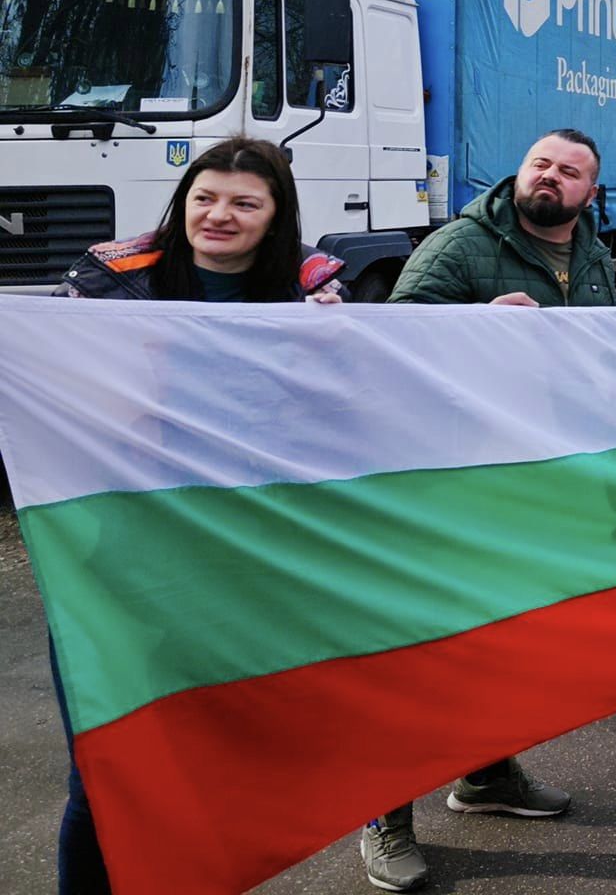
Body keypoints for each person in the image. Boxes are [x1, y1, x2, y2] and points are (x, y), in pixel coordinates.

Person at [366, 129, 616, 892]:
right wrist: (477, 325)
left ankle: (485, 776)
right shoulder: (459, 245)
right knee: (418, 655)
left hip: (534, 485)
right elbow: (390, 341)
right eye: (541, 164)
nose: (550, 177)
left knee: (500, 645)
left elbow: (598, 351)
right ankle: (384, 815)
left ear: (590, 191)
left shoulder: (587, 253)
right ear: (520, 173)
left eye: (569, 171)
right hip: (451, 484)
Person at [52, 136, 345, 895]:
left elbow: (367, 399)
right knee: (106, 764)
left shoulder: (314, 298)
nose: (218, 215)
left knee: (211, 760)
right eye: (204, 198)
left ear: (275, 218)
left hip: (233, 560)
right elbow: (43, 381)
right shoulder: (105, 284)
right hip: (110, 559)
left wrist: (497, 325)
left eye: (244, 203)